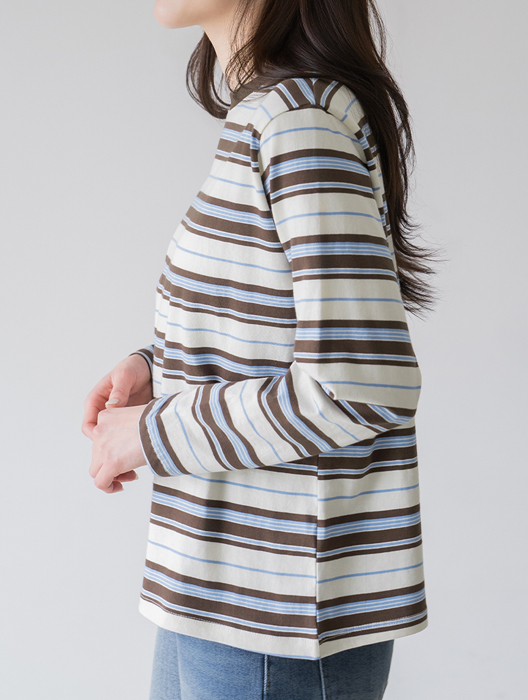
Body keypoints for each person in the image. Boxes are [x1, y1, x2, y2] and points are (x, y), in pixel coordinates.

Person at [82, 1, 440, 698]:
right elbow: (267, 325)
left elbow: (360, 387)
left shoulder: (298, 124)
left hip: (277, 613)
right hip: (218, 589)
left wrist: (151, 433)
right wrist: (158, 364)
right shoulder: (270, 116)